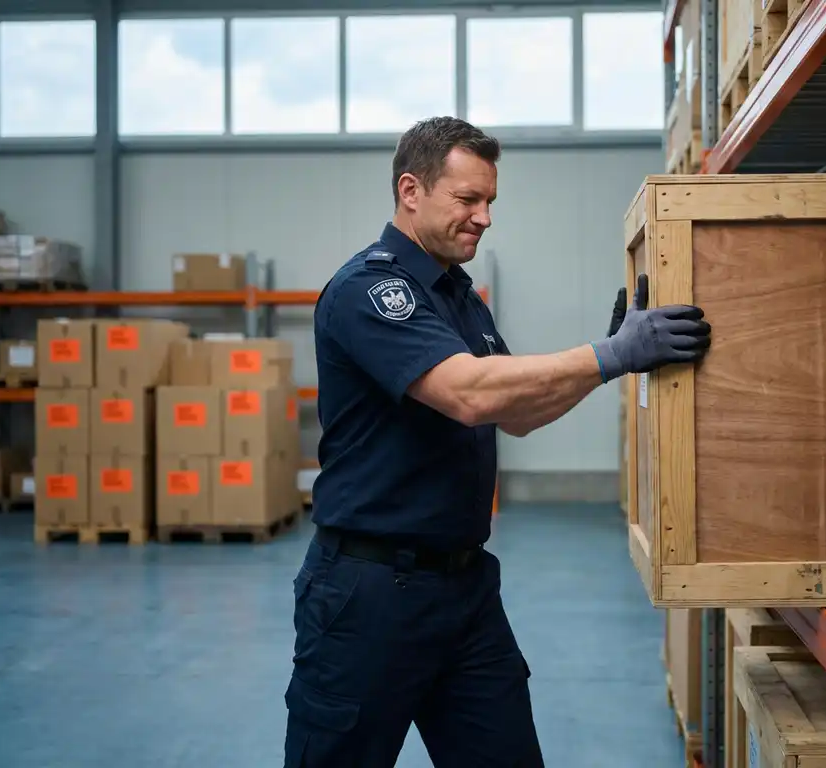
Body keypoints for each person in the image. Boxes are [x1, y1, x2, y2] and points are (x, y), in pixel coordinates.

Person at [283, 115, 712, 768]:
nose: (484, 218)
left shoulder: (460, 297)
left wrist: (611, 362)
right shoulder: (370, 291)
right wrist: (607, 355)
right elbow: (467, 393)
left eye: (489, 201)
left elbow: (516, 413)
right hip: (368, 596)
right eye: (468, 199)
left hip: (464, 593)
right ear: (410, 191)